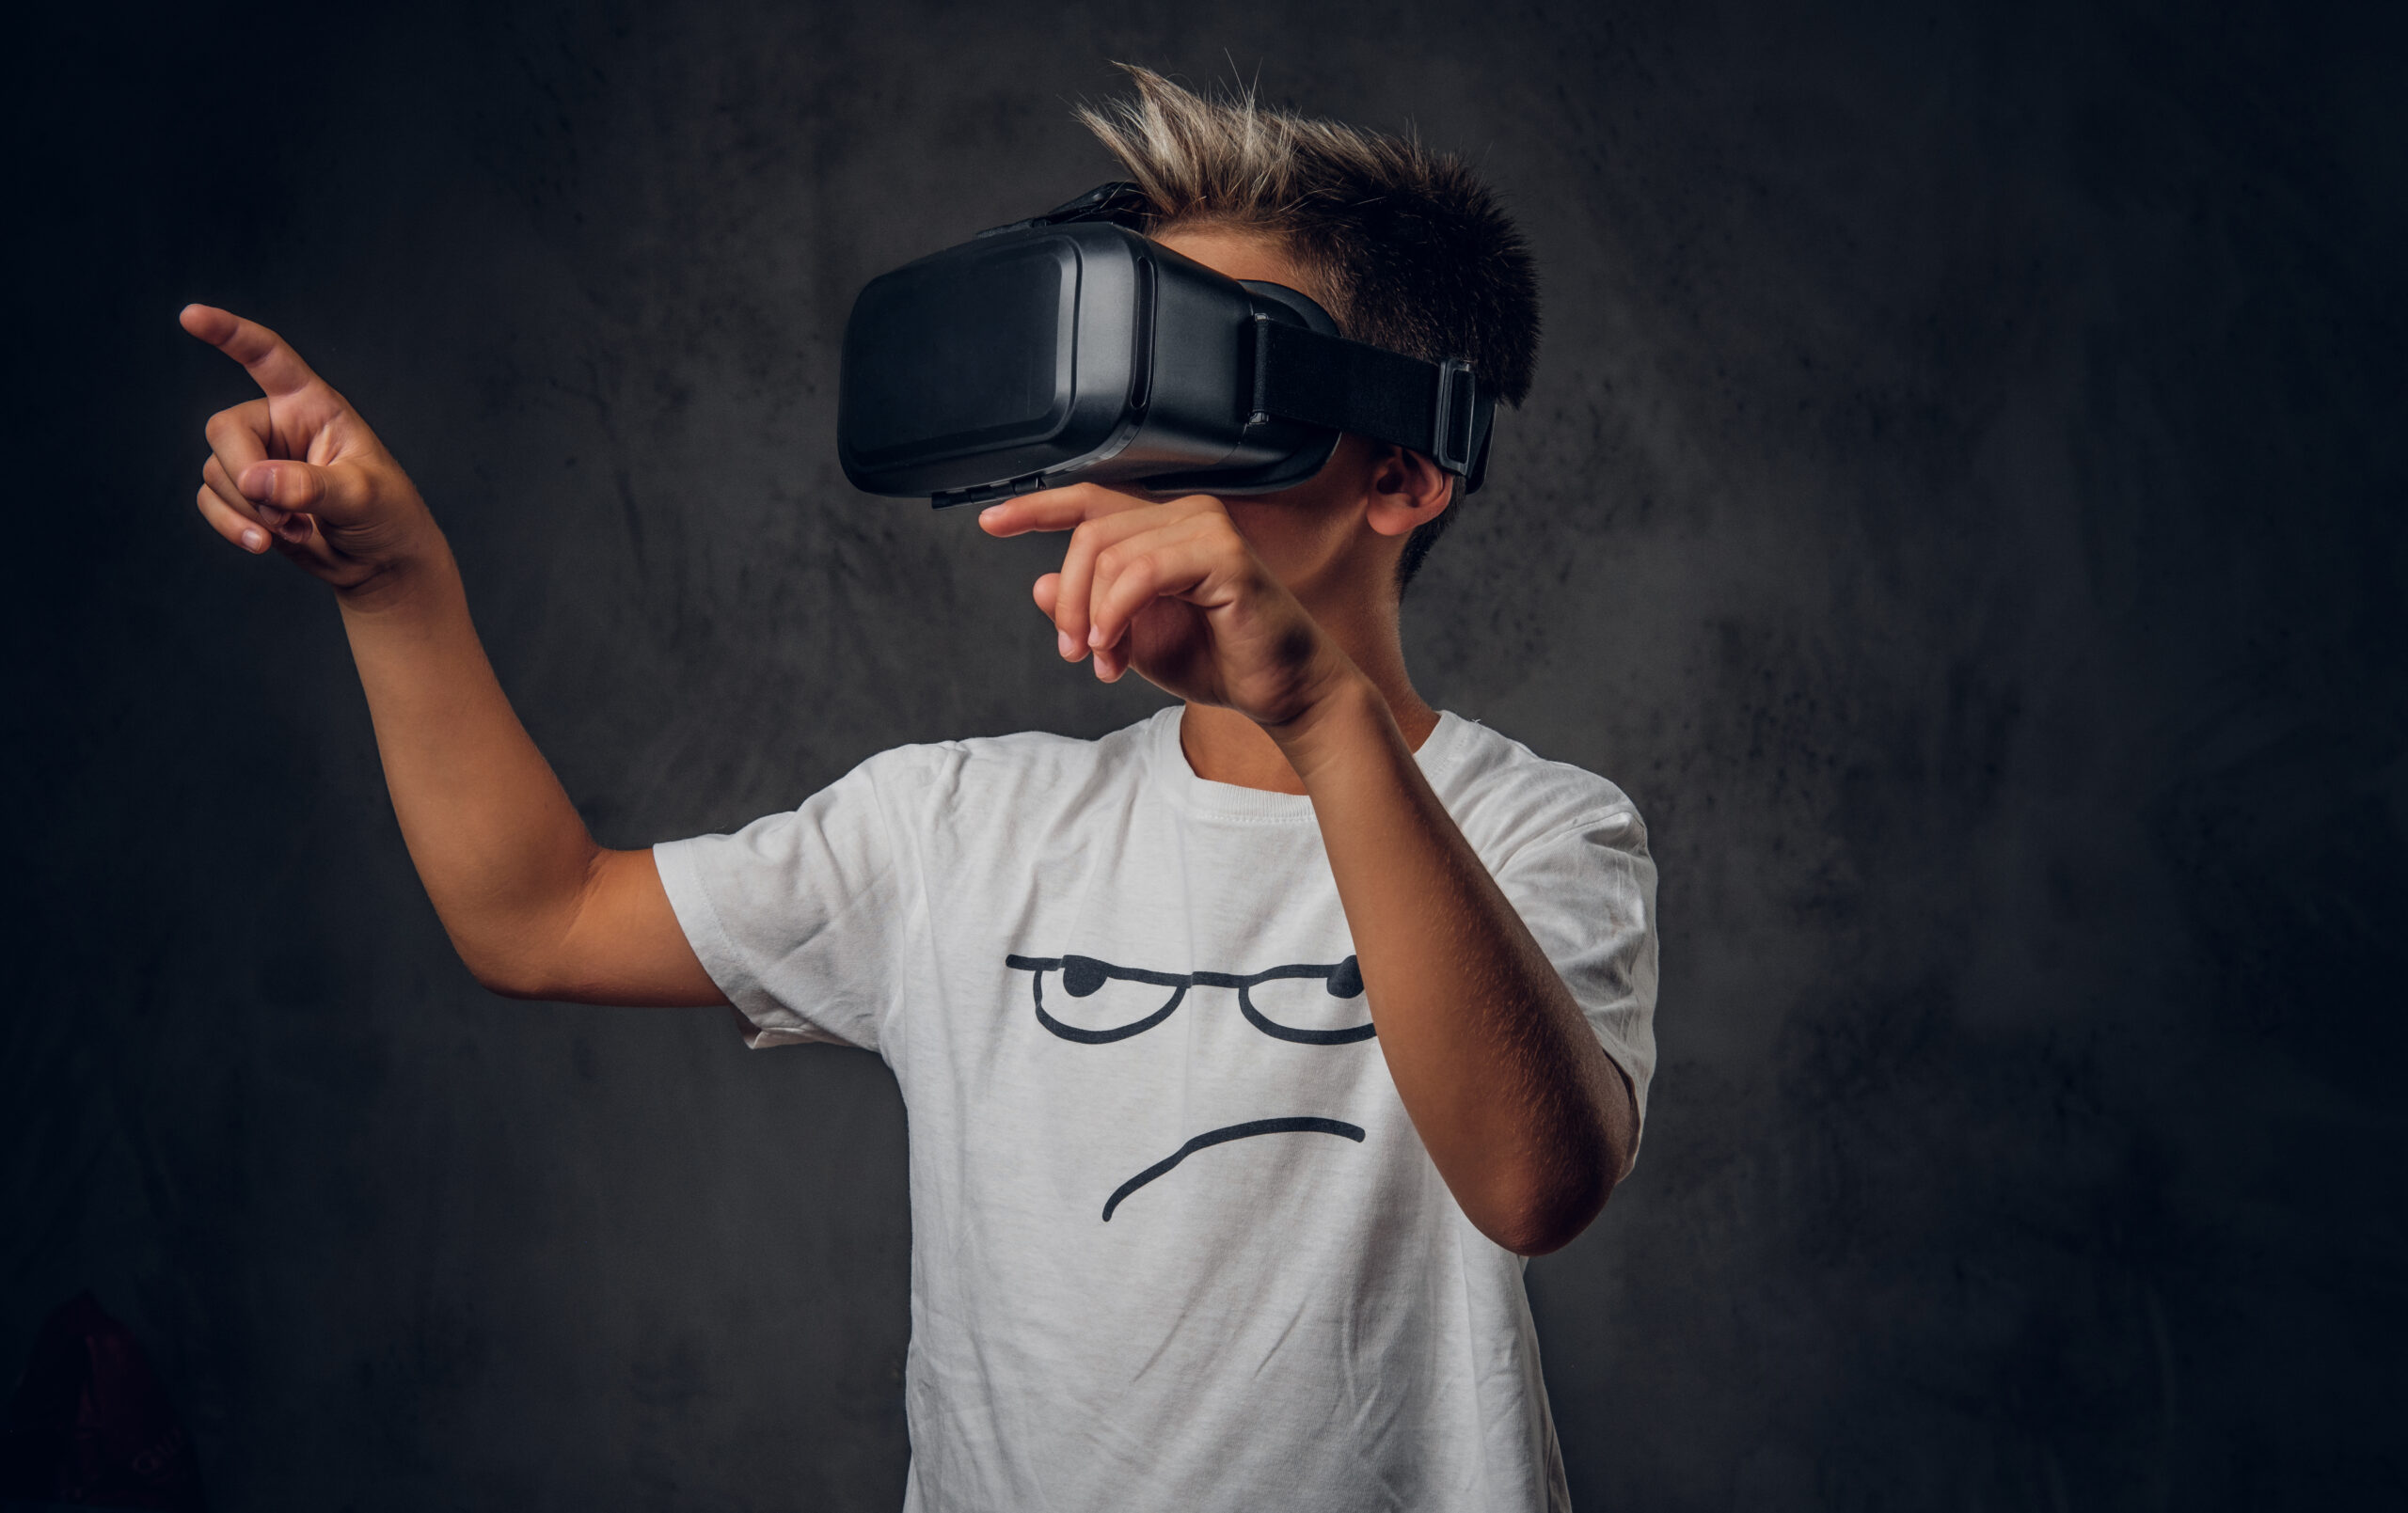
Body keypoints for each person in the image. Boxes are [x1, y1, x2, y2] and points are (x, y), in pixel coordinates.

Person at [182, 66, 1657, 1513]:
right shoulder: (962, 829)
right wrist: (395, 585)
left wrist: (1326, 717)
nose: (1138, 455)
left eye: (1204, 374)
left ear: (1401, 473)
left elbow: (1534, 1184)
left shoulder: (1544, 829)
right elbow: (538, 915)